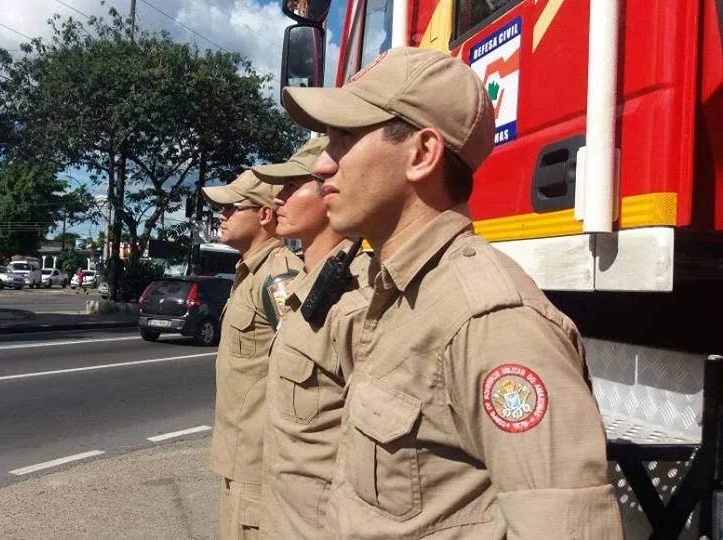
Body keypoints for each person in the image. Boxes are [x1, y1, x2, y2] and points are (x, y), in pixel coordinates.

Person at [280, 47, 623, 538]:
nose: (322, 166)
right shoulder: (390, 294)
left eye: (345, 138)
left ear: (422, 153)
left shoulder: (492, 321)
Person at [252, 136, 374, 539]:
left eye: (291, 187)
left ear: (329, 190)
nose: (277, 201)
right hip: (282, 516)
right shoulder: (307, 283)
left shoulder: (359, 291)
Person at [202, 170, 303, 540]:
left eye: (231, 208)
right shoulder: (249, 273)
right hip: (239, 456)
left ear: (264, 215)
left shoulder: (279, 277)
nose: (221, 216)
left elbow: (304, 370)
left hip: (260, 463)